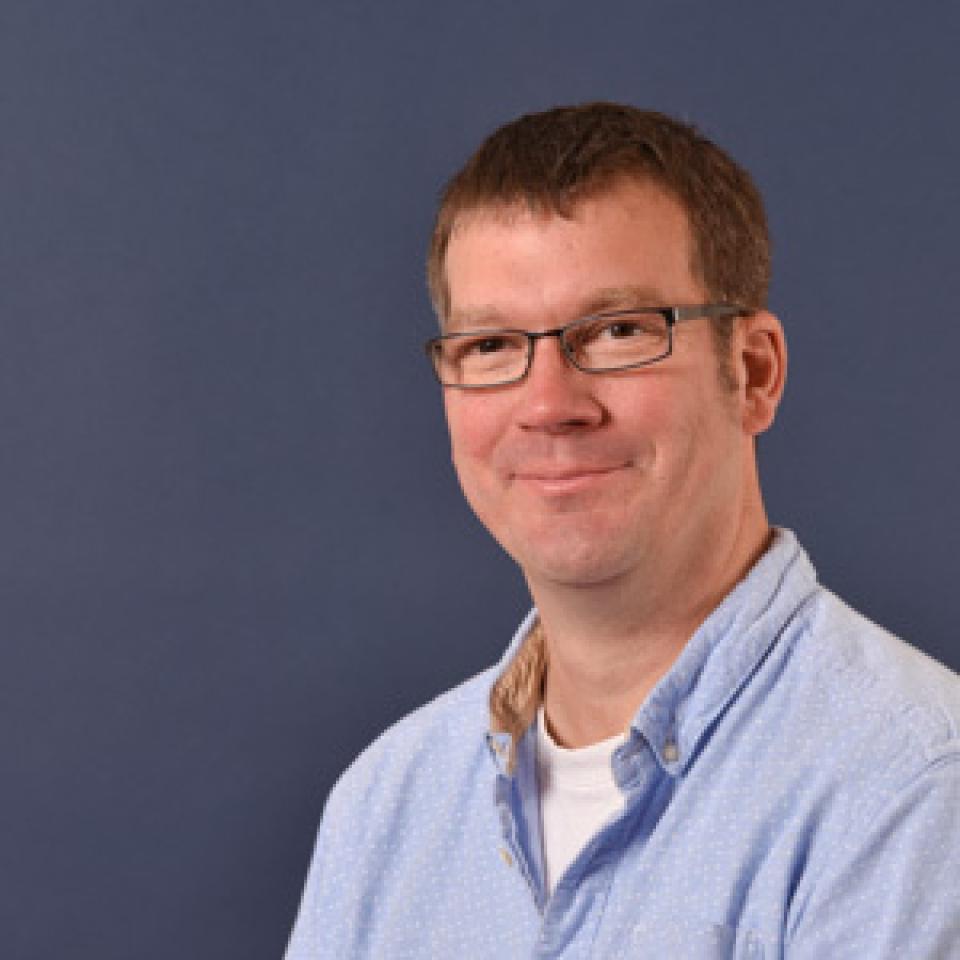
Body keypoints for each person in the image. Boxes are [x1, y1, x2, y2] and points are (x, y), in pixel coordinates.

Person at [285, 102, 960, 958]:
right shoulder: (386, 807)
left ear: (753, 372)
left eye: (618, 332)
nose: (549, 405)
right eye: (491, 346)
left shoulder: (911, 790)